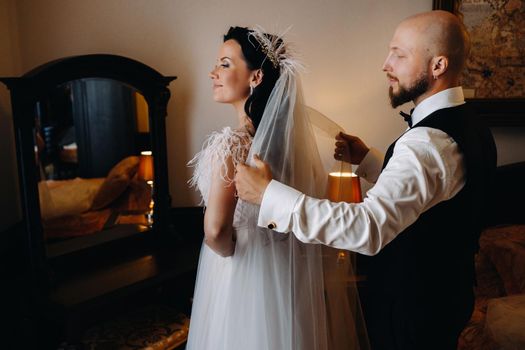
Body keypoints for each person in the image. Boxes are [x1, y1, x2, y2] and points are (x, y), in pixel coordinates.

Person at [234, 11, 497, 350]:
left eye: (399, 54)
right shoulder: (470, 126)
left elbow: (367, 228)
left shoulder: (427, 143)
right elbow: (434, 191)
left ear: (438, 66)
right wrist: (371, 161)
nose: (386, 64)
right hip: (446, 299)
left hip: (414, 311)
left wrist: (269, 195)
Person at [186, 26, 368, 350]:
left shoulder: (231, 144)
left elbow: (215, 231)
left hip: (241, 273)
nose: (213, 72)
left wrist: (233, 257)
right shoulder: (290, 148)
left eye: (225, 64)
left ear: (255, 77)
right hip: (285, 276)